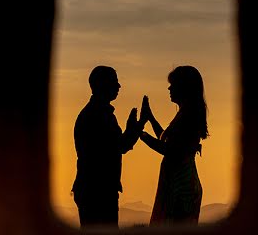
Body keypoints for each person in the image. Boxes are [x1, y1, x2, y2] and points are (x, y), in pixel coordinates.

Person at [71, 65, 143, 229]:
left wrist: (135, 128)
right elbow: (119, 147)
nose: (119, 86)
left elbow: (116, 146)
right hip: (98, 190)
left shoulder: (96, 113)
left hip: (94, 188)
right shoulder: (99, 115)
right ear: (102, 85)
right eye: (114, 82)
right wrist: (135, 128)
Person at [139, 65, 209, 226]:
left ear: (184, 87)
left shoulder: (188, 115)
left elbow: (169, 150)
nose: (169, 88)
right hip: (181, 184)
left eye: (173, 84)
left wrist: (140, 134)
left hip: (181, 188)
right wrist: (150, 118)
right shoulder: (187, 113)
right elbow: (168, 140)